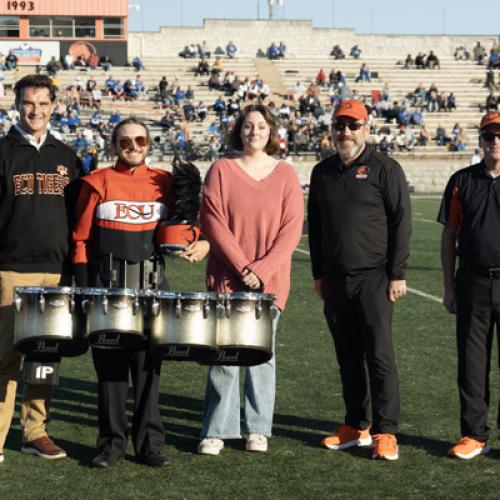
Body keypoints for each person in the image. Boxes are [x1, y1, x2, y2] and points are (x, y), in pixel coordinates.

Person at [72, 118, 209, 468]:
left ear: (149, 143)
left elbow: (186, 229)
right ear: (113, 145)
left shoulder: (166, 182)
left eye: (140, 140)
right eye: (125, 141)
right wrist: (86, 289)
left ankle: (150, 444)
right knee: (110, 372)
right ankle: (110, 445)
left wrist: (196, 240)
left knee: (149, 370)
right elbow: (81, 240)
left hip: (152, 291)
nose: (133, 146)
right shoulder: (96, 181)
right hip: (107, 291)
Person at [197, 104, 303, 456]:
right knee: (222, 355)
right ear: (238, 131)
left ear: (271, 132)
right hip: (228, 278)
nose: (253, 132)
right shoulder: (222, 169)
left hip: (270, 283)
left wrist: (263, 270)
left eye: (260, 126)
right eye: (247, 126)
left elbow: (291, 230)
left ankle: (257, 428)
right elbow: (212, 221)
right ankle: (217, 429)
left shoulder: (286, 173)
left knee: (261, 356)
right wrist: (244, 266)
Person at [308, 99, 411, 461]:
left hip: (375, 279)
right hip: (335, 280)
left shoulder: (385, 168)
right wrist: (318, 273)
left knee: (379, 355)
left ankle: (386, 430)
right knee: (347, 355)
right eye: (340, 126)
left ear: (366, 128)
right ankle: (356, 425)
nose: (345, 132)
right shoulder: (322, 172)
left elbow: (401, 221)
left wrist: (397, 273)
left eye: (353, 126)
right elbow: (316, 226)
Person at [0, 74, 82, 464]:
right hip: (10, 270)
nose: (36, 111)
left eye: (43, 103)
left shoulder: (67, 156)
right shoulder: (2, 152)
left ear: (54, 106)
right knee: (4, 358)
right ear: (17, 105)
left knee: (44, 359)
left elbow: (78, 218)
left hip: (56, 272)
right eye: (29, 103)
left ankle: (35, 432)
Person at [438, 111, 500, 460]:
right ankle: (474, 434)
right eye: (489, 136)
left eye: (499, 135)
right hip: (472, 281)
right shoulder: (462, 180)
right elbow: (448, 235)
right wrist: (448, 286)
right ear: (480, 140)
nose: (495, 142)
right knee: (472, 363)